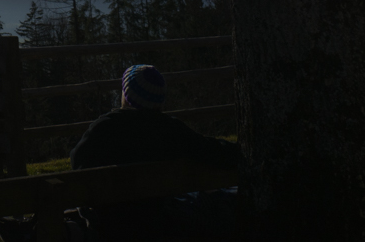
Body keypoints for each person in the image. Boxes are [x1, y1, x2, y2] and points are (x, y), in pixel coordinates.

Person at [68, 64, 240, 241]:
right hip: (157, 225)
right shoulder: (170, 130)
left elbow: (77, 163)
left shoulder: (104, 129)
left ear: (126, 96)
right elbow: (212, 150)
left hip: (112, 228)